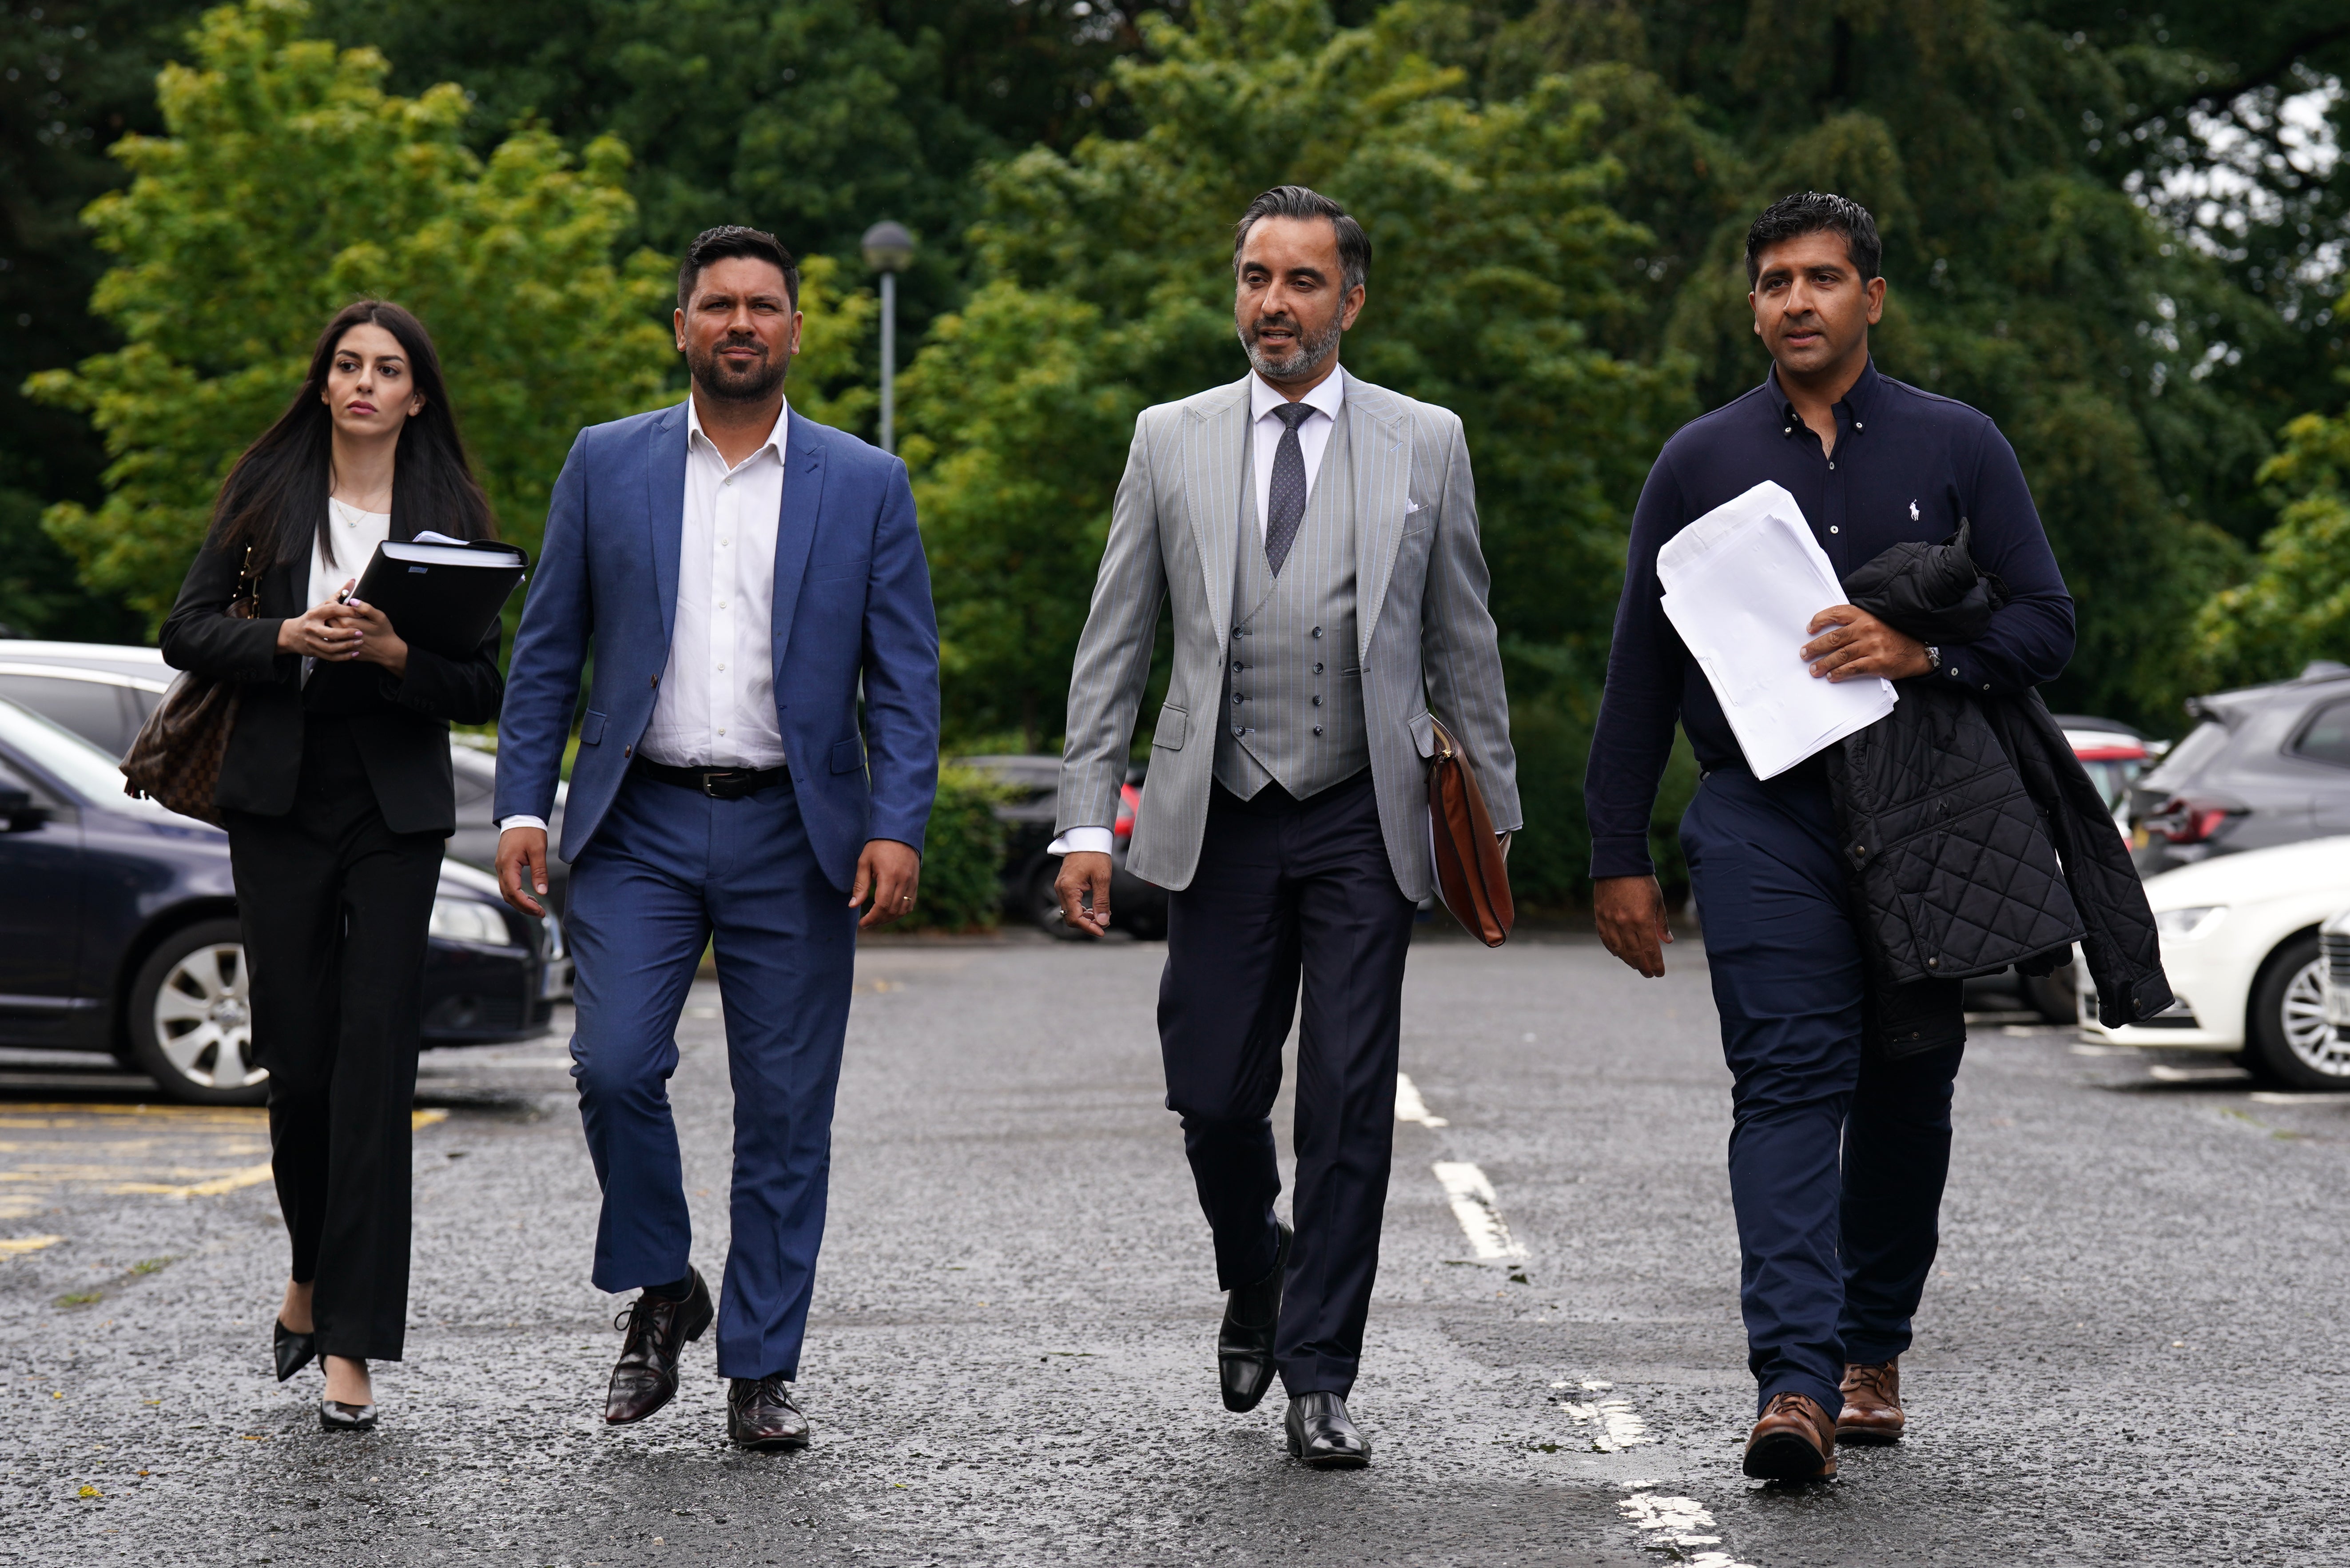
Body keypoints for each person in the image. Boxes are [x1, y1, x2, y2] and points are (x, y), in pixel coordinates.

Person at [1585, 192, 2078, 1481]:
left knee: (1910, 1089)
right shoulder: (1695, 462)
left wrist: (1924, 652)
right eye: (1769, 281)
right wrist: (1615, 854)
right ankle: (1792, 1385)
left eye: (1817, 278)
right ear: (1750, 303)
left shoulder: (1957, 444)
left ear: (1871, 295)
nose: (1791, 300)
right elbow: (1641, 669)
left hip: (1925, 812)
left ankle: (1871, 1346)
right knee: (1790, 1080)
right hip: (1761, 815)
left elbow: (2046, 623)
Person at [1053, 186, 1519, 1470]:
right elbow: (1115, 643)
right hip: (1219, 811)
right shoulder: (1169, 437)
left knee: (1350, 1102)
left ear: (1349, 299)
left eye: (1301, 281)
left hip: (1366, 812)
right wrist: (1083, 820)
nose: (1272, 303)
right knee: (1209, 1092)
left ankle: (1321, 1372)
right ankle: (1252, 1267)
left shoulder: (1425, 440)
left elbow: (1462, 638)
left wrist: (1495, 823)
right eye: (1255, 276)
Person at [492, 225, 939, 1451]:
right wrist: (525, 803)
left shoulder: (865, 483)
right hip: (635, 824)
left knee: (786, 1111)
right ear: (679, 326)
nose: (740, 323)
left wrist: (898, 822)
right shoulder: (605, 463)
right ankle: (664, 1285)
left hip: (799, 835)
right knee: (616, 1066)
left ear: (796, 329)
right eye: (716, 305)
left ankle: (761, 1366)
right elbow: (548, 657)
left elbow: (903, 679)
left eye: (763, 305)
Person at [159, 300, 506, 1433]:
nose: (366, 382)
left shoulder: (451, 510)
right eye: (349, 365)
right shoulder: (267, 500)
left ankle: (349, 1341)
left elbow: (480, 685)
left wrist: (400, 650)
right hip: (280, 801)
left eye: (389, 368)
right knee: (301, 1066)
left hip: (395, 809)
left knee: (373, 1076)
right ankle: (310, 1273)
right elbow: (187, 629)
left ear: (417, 393)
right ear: (324, 385)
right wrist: (285, 639)